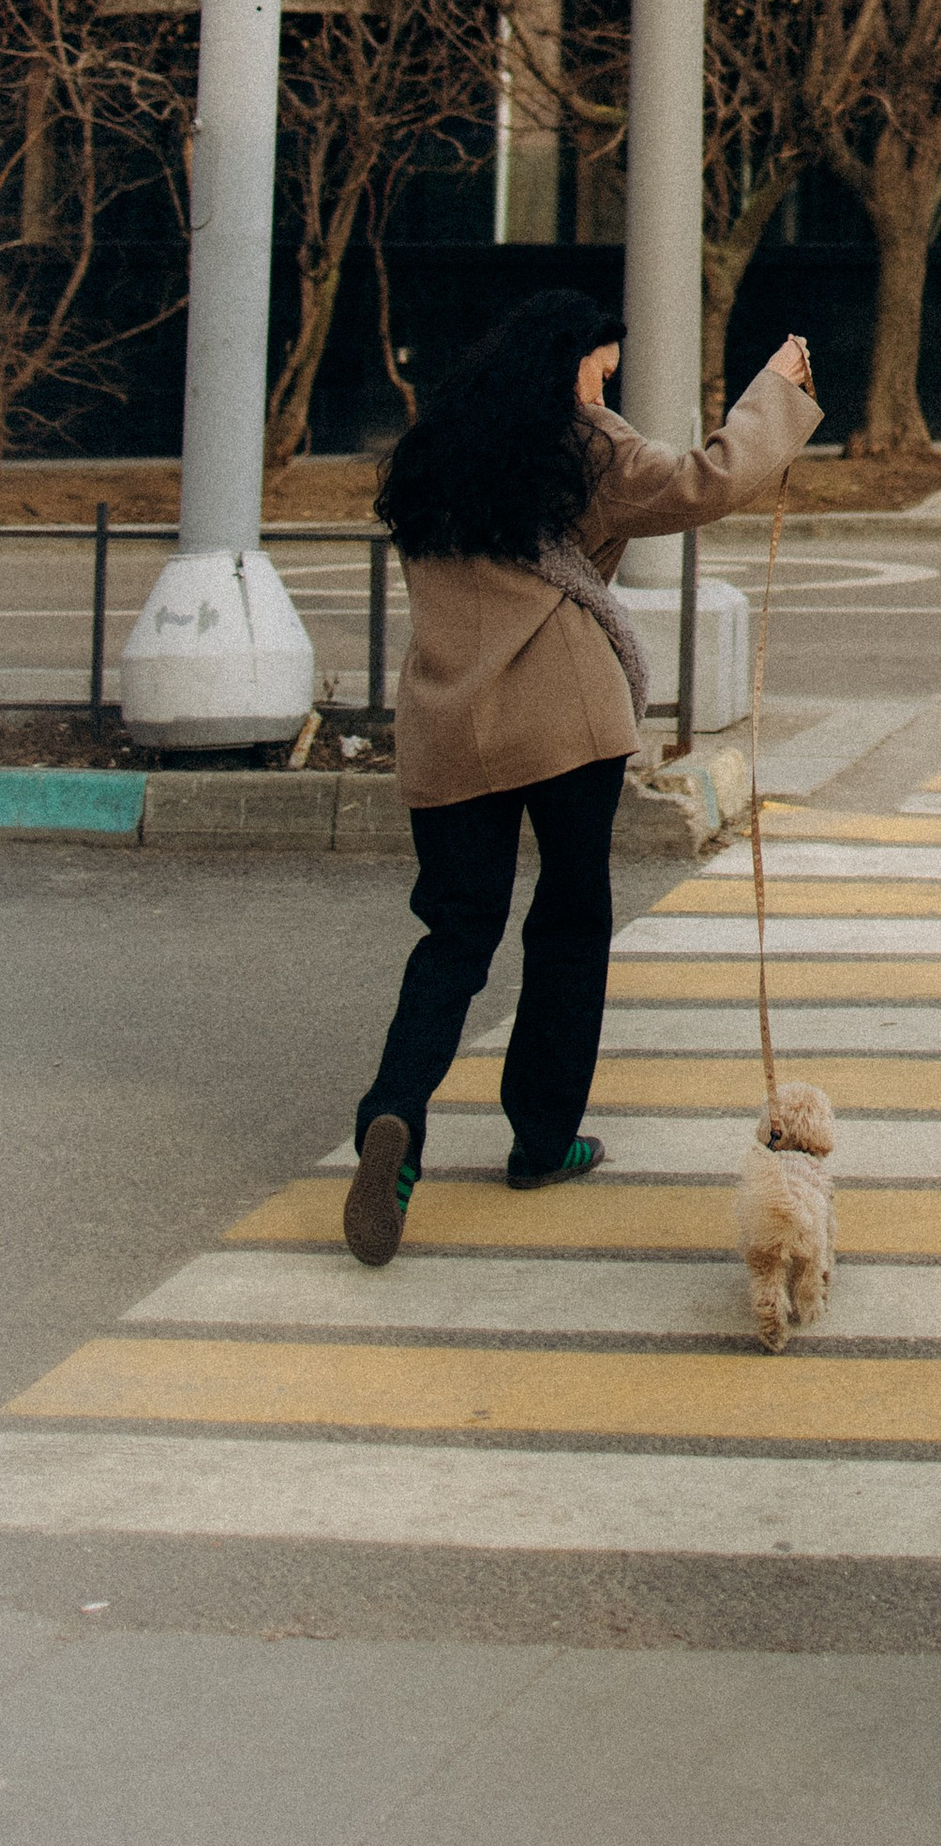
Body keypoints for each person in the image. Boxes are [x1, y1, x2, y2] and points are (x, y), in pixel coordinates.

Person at [342, 288, 821, 1267]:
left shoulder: (438, 448)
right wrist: (776, 390)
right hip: (566, 715)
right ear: (571, 359)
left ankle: (394, 1117)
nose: (606, 382)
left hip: (446, 721)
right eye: (603, 365)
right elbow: (703, 483)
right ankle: (541, 1137)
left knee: (454, 932)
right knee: (569, 920)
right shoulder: (577, 446)